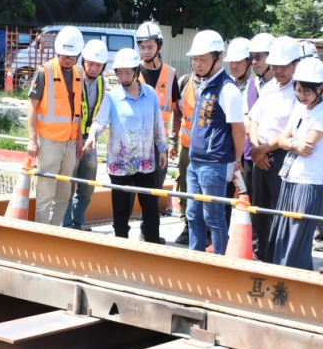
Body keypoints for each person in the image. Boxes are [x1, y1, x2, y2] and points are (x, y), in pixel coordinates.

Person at [83, 48, 168, 243]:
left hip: (145, 162)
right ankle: (121, 245)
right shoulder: (112, 97)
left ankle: (153, 245)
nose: (123, 76)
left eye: (127, 72)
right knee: (121, 208)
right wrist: (92, 135)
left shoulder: (150, 94)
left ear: (137, 71)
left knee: (149, 206)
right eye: (119, 72)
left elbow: (158, 124)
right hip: (120, 164)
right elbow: (100, 121)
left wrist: (162, 148)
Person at [266, 58, 323, 270]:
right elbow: (282, 139)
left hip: (307, 182)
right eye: (298, 90)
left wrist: (290, 143)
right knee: (283, 234)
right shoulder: (299, 108)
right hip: (289, 177)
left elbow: (306, 147)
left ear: (321, 89)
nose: (302, 95)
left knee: (297, 238)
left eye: (307, 91)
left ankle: (294, 283)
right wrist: (291, 143)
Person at [183, 31, 246, 255]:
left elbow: (239, 131)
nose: (197, 64)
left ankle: (221, 264)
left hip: (215, 163)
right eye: (194, 59)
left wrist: (236, 160)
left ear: (218, 59)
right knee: (193, 213)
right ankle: (196, 258)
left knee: (215, 217)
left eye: (202, 59)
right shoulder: (203, 83)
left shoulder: (227, 89)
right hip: (196, 161)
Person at [247, 36, 300, 261]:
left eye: (283, 66)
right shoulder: (269, 88)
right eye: (275, 65)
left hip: (281, 157)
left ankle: (280, 259)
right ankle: (261, 258)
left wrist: (264, 150)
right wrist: (257, 148)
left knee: (281, 212)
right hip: (261, 154)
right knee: (259, 212)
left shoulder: (299, 92)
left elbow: (292, 130)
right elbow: (254, 119)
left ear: (295, 64)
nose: (278, 70)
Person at [26, 26, 85, 225]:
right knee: (45, 194)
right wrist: (32, 140)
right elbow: (32, 107)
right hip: (49, 143)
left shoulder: (79, 73)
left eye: (72, 55)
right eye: (64, 55)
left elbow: (78, 111)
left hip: (69, 143)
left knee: (63, 194)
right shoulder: (45, 72)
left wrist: (79, 140)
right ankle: (41, 235)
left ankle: (54, 232)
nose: (67, 59)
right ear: (57, 51)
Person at [135, 22, 179, 242]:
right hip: (135, 141)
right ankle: (145, 232)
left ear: (159, 46)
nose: (145, 51)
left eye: (150, 47)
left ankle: (149, 232)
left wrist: (173, 140)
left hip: (159, 142)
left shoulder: (171, 74)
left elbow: (178, 110)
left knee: (155, 188)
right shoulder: (132, 72)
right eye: (142, 47)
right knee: (137, 186)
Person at [62, 40, 108, 230]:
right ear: (83, 61)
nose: (94, 68)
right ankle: (66, 224)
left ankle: (78, 222)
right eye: (90, 63)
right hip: (71, 139)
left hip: (90, 140)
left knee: (87, 187)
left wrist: (92, 137)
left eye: (98, 65)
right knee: (67, 187)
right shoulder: (73, 78)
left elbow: (100, 112)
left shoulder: (102, 82)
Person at [298, 40, 323, 253]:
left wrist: (296, 143)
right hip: (295, 160)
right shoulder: (297, 89)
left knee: (317, 196)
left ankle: (321, 234)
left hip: (313, 156)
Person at [242, 33, 275, 236]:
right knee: (255, 208)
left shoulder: (287, 87)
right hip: (252, 155)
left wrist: (264, 150)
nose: (254, 62)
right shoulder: (252, 84)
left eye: (258, 57)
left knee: (273, 209)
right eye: (252, 57)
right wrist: (256, 149)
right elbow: (247, 118)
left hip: (273, 155)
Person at [222, 37, 252, 226]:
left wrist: (240, 155)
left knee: (247, 197)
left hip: (247, 153)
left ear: (249, 61)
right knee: (224, 199)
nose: (233, 66)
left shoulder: (255, 87)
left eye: (238, 61)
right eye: (231, 62)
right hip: (228, 153)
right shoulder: (227, 84)